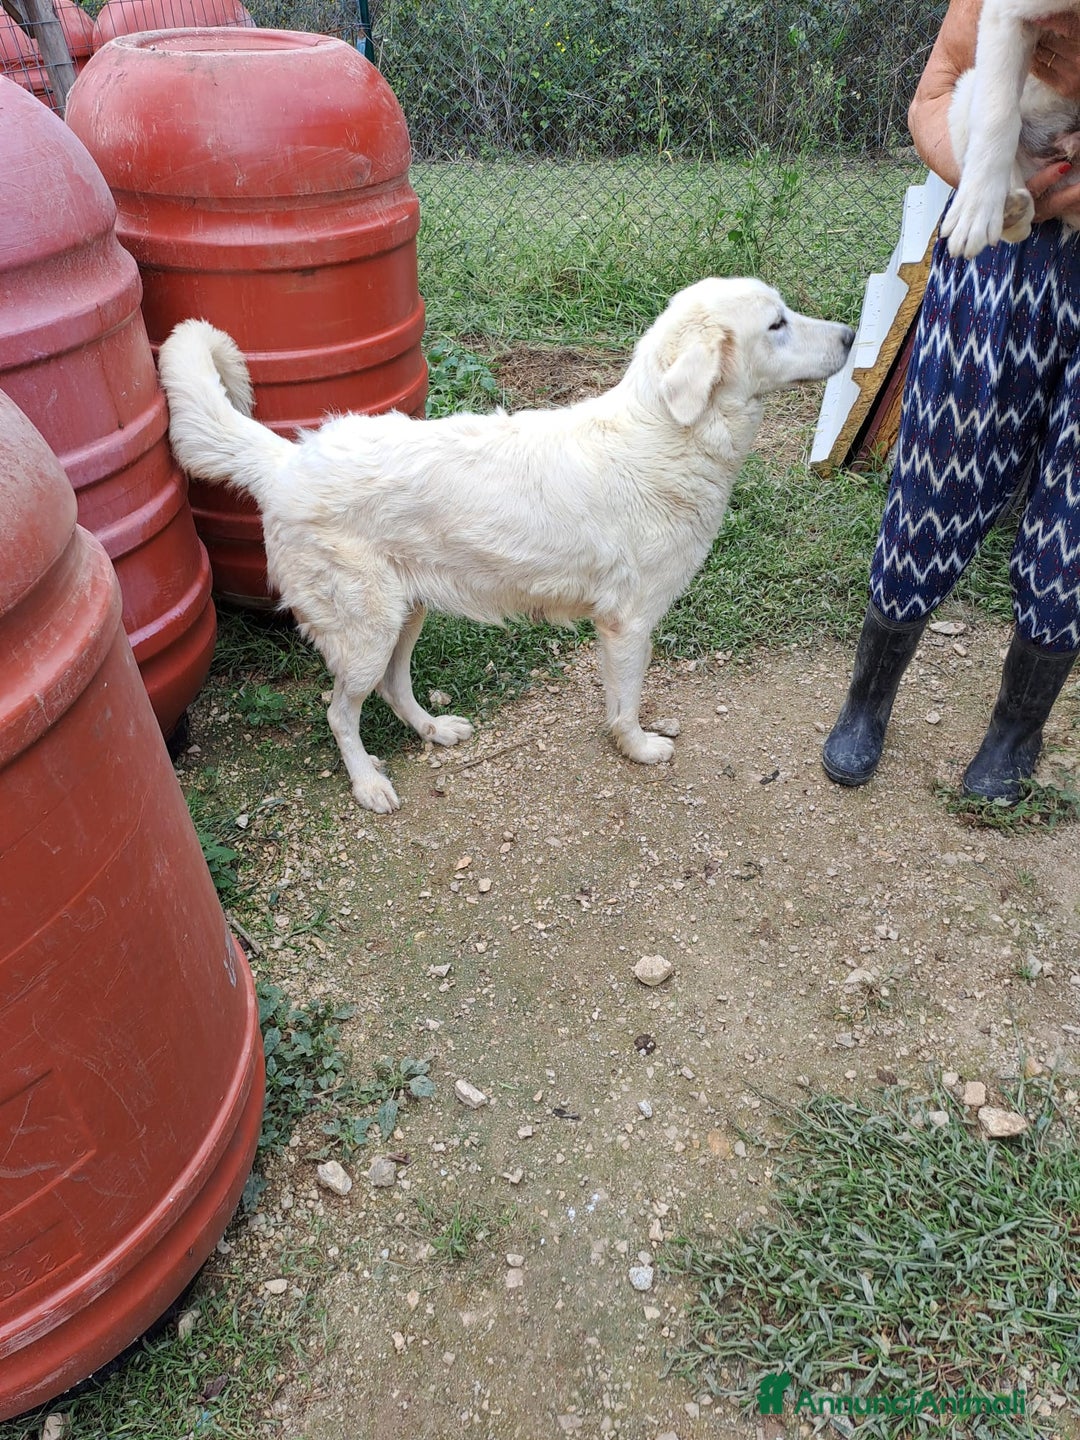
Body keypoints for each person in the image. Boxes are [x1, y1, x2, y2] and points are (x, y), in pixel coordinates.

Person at [822, 0, 1080, 801]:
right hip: (999, 244)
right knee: (938, 469)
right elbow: (936, 95)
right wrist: (987, 180)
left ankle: (1016, 731)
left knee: (1075, 515)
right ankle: (868, 699)